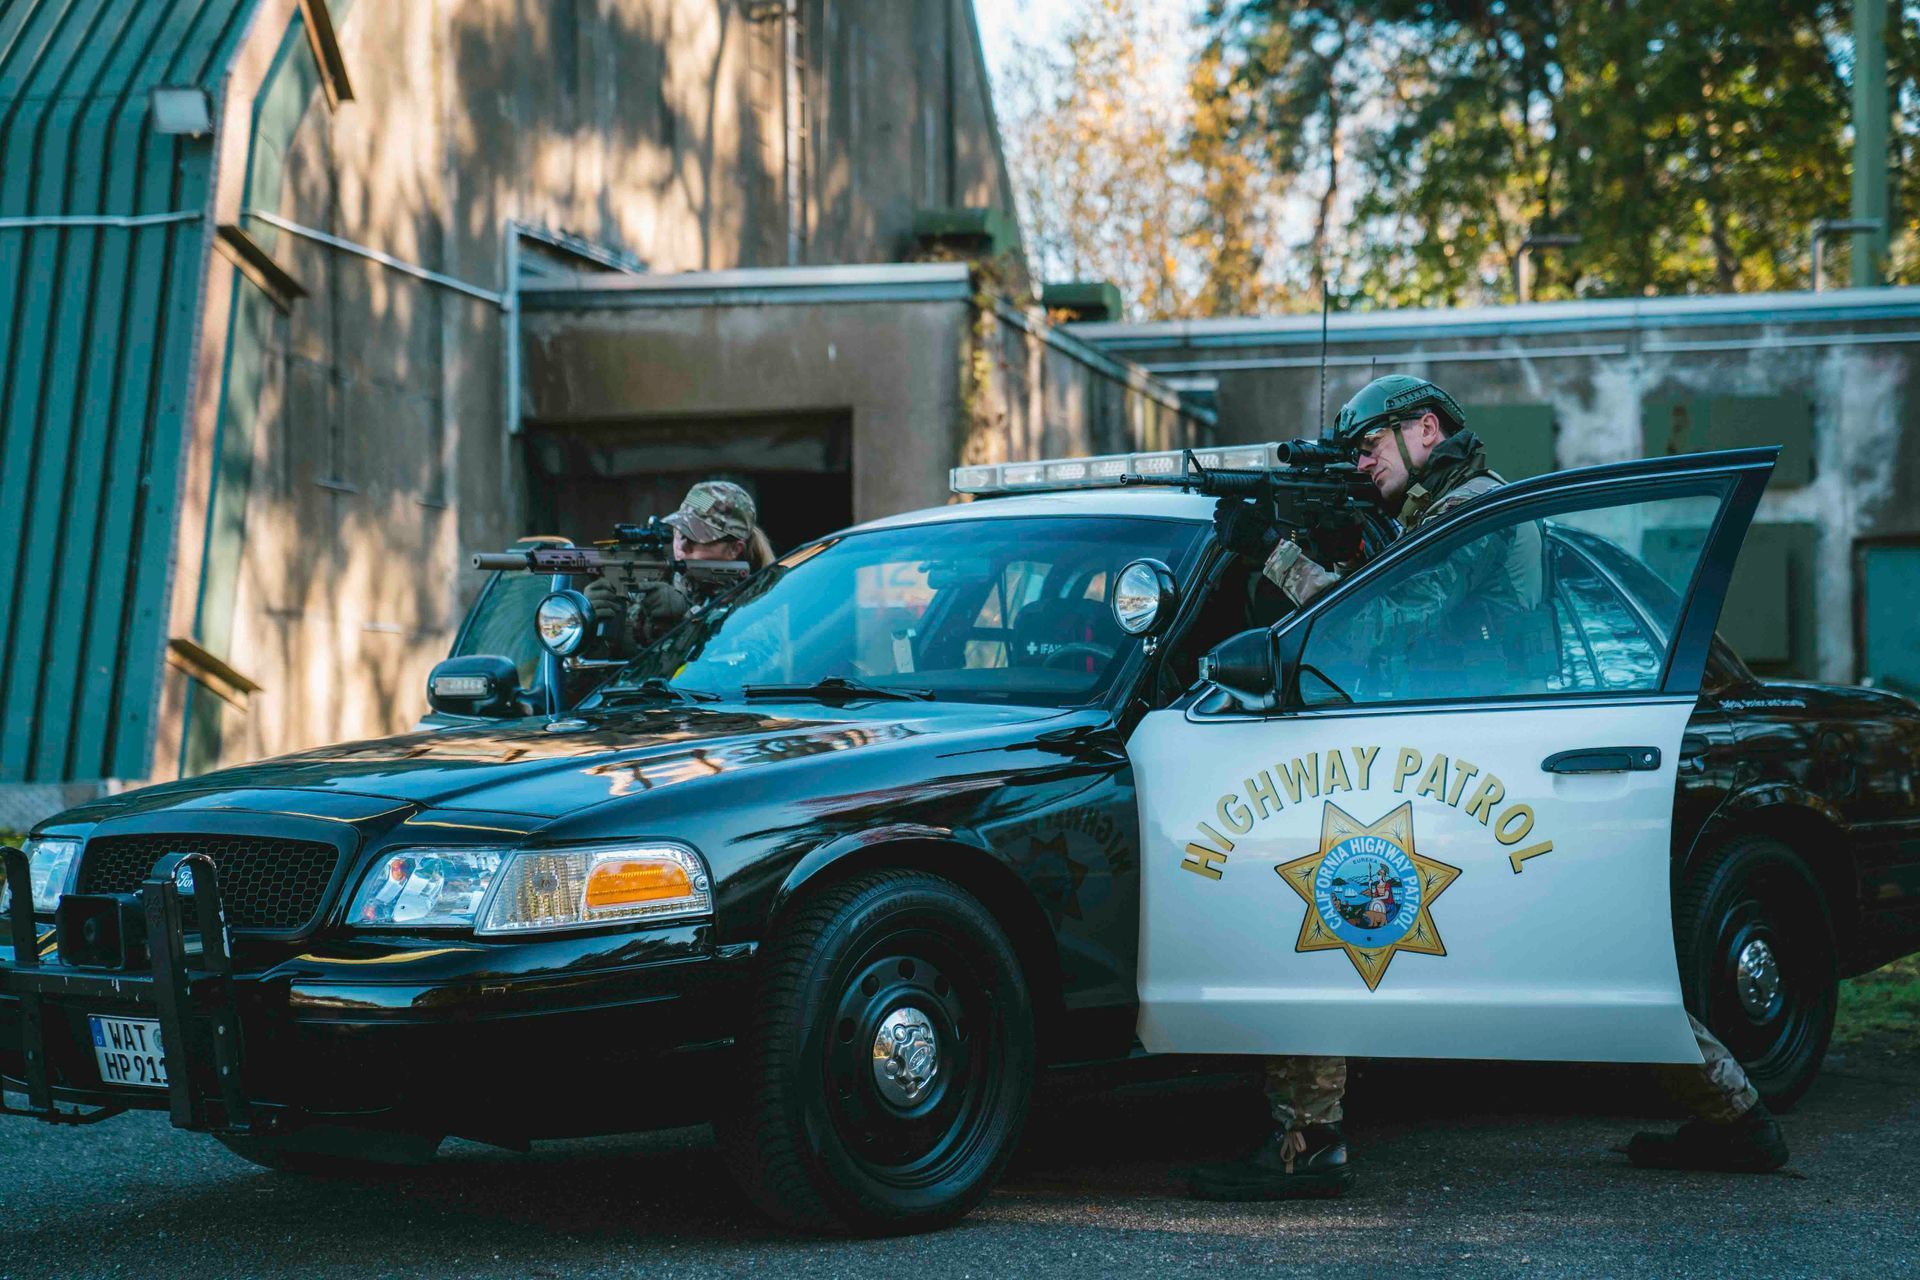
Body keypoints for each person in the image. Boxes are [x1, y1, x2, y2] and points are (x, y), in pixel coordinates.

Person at [1189, 374, 1788, 1203]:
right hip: (1471, 756)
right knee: (1593, 969)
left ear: (1424, 430)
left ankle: (1307, 1141)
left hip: (1462, 761)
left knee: (1332, 915)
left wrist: (1279, 555)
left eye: (1370, 447)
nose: (1362, 464)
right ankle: (1736, 1117)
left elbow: (1372, 623)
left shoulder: (1468, 510)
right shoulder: (1443, 512)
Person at [584, 480, 776, 655]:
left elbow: (748, 668)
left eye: (697, 538)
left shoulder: (760, 601)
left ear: (734, 549)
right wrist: (588, 628)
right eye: (679, 533)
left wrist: (683, 620)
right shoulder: (654, 587)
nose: (682, 547)